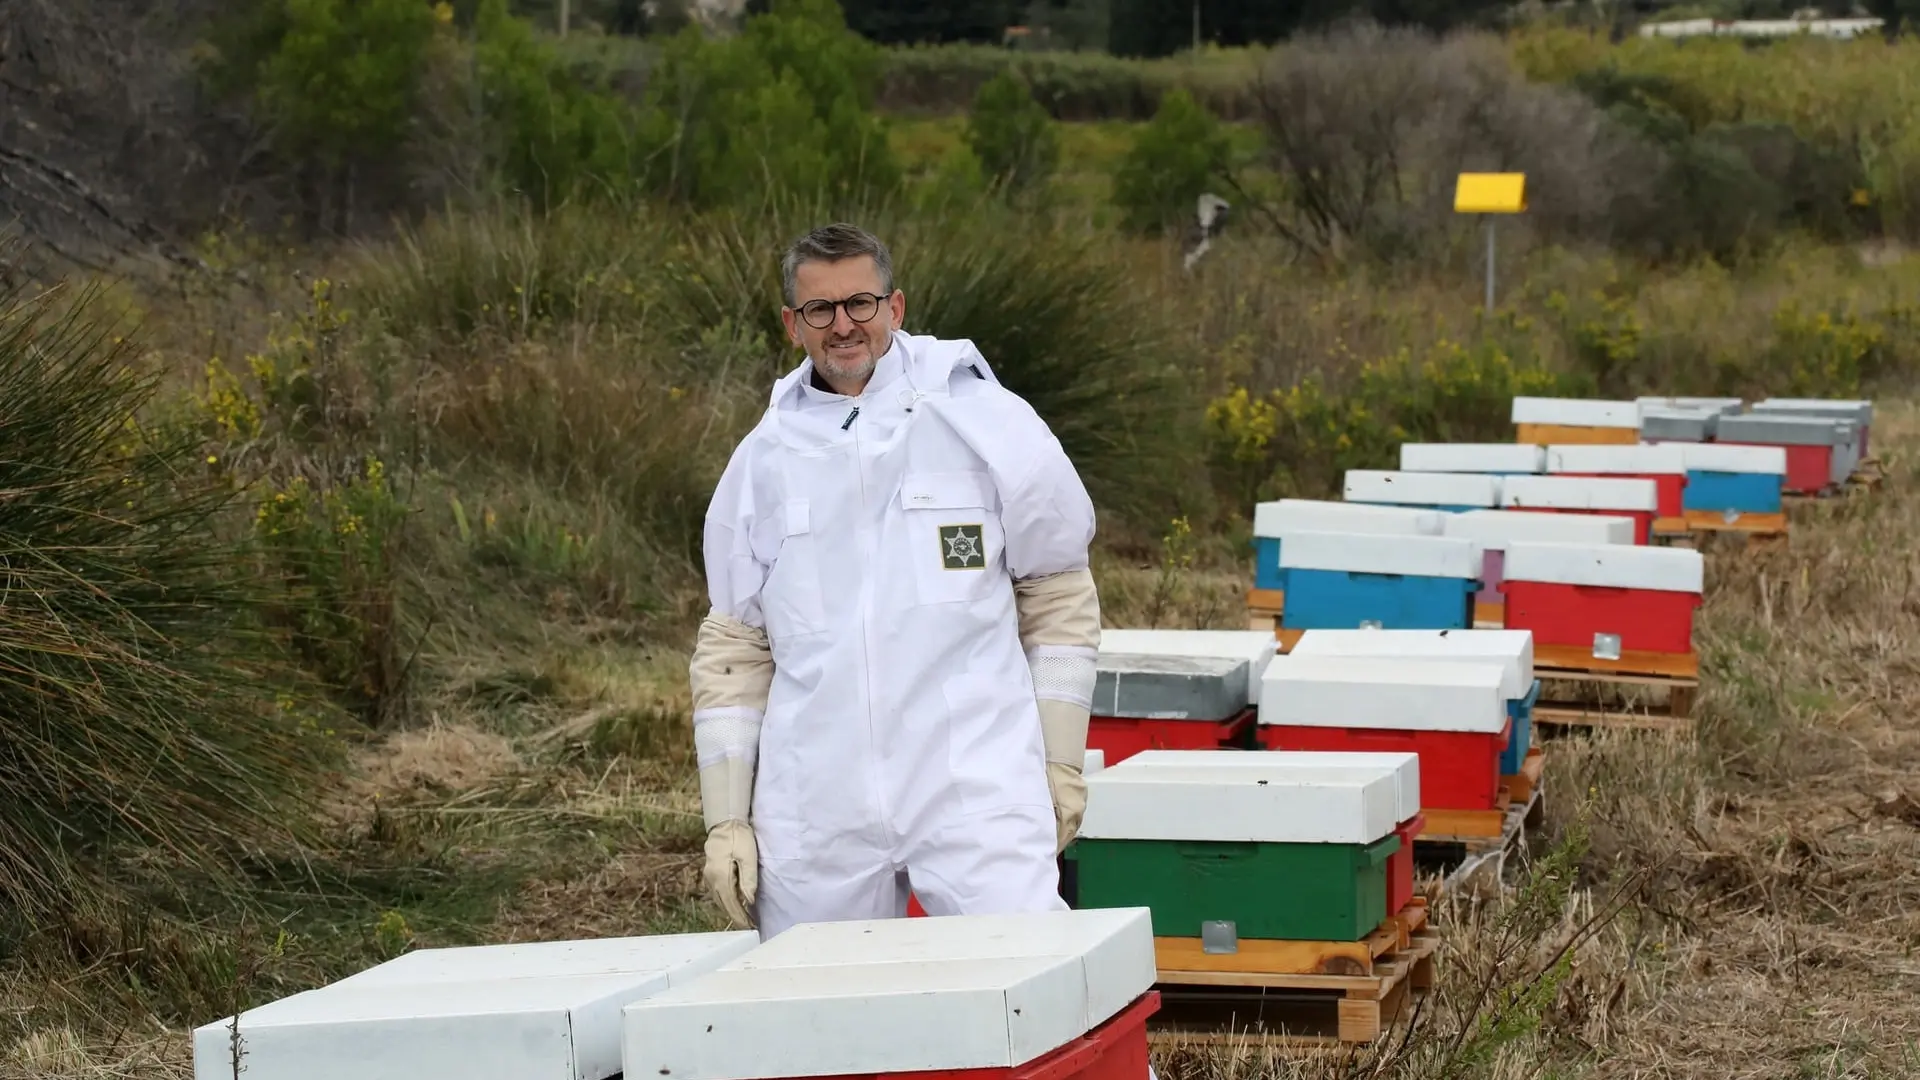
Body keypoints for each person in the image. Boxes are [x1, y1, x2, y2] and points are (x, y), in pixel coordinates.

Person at [686, 222, 1102, 941]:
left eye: (861, 304)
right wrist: (727, 816)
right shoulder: (763, 462)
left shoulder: (989, 425)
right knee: (817, 1031)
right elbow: (734, 649)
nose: (843, 325)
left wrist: (1060, 757)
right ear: (793, 325)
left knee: (1033, 989)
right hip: (815, 801)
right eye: (820, 310)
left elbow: (1058, 595)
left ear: (896, 307)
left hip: (973, 780)